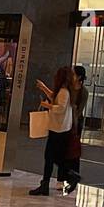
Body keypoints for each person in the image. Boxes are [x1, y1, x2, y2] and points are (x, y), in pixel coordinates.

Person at [29, 66, 78, 197]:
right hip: (61, 129)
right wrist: (44, 87)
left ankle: (52, 181)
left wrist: (47, 106)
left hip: (58, 130)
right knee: (54, 157)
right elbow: (55, 98)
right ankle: (52, 181)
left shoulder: (64, 91)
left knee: (51, 157)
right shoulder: (66, 91)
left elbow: (59, 108)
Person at [69, 65, 89, 186]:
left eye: (73, 73)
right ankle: (69, 173)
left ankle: (74, 173)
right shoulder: (69, 88)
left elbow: (79, 110)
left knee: (73, 149)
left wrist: (72, 120)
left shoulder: (84, 92)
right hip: (67, 120)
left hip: (75, 123)